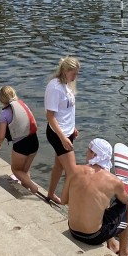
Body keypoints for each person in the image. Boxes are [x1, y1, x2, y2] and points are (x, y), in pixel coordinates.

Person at [61, 139, 128, 256]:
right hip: (93, 237)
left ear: (94, 154)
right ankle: (125, 252)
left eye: (88, 150)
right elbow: (125, 201)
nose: (86, 153)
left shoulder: (74, 170)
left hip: (73, 230)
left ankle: (113, 244)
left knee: (100, 199)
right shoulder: (114, 181)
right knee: (126, 204)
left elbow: (63, 200)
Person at [45, 55, 80, 204]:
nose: (75, 77)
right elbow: (50, 116)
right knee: (73, 173)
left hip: (67, 132)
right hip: (58, 134)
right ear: (65, 71)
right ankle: (68, 203)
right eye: (74, 73)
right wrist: (63, 138)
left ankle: (51, 194)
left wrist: (73, 128)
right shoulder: (55, 87)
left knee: (59, 166)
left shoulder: (67, 85)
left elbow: (66, 111)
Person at [0, 85, 41, 196]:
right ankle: (26, 190)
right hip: (34, 141)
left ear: (1, 100)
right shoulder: (23, 105)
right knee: (25, 170)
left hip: (21, 145)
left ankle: (33, 187)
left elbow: (1, 135)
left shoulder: (4, 113)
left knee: (16, 169)